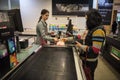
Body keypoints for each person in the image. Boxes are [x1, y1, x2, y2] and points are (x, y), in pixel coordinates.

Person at [76, 9, 106, 80]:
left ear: (92, 19)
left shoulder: (98, 31)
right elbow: (85, 38)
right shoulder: (92, 29)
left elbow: (95, 50)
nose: (86, 22)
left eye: (87, 19)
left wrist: (80, 46)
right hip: (86, 60)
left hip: (90, 62)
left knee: (88, 77)